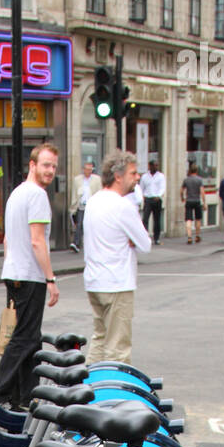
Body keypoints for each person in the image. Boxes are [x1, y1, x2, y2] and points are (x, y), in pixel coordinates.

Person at [0, 142, 60, 408]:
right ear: (32, 165)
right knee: (26, 338)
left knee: (29, 338)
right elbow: (37, 241)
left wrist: (12, 265)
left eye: (54, 166)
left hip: (15, 272)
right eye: (45, 165)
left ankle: (25, 398)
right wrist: (51, 279)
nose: (50, 170)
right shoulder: (37, 196)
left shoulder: (17, 194)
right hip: (30, 276)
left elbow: (8, 239)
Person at [82, 148, 150, 365]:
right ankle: (114, 395)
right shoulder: (123, 206)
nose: (137, 177)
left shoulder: (94, 201)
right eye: (133, 173)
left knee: (100, 339)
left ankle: (89, 389)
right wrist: (130, 239)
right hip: (117, 283)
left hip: (95, 281)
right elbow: (145, 244)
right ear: (118, 176)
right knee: (118, 349)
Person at [69, 159, 100, 252]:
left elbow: (99, 192)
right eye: (86, 169)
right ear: (83, 169)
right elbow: (74, 193)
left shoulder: (97, 180)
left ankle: (92, 244)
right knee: (79, 224)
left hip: (92, 207)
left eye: (90, 169)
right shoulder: (77, 180)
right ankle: (76, 243)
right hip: (81, 206)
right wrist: (73, 207)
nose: (88, 171)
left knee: (91, 226)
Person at [139, 160, 165, 244]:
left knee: (156, 219)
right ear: (149, 166)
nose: (156, 167)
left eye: (157, 165)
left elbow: (162, 187)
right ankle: (144, 237)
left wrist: (159, 195)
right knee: (145, 219)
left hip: (156, 199)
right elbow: (141, 188)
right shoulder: (144, 177)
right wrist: (143, 196)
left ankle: (156, 238)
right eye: (154, 165)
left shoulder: (161, 176)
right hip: (148, 199)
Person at [181, 162, 205, 243]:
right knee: (198, 219)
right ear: (197, 170)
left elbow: (181, 190)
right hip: (197, 201)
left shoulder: (186, 180)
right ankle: (197, 236)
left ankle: (189, 237)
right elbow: (202, 192)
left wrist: (182, 198)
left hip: (189, 201)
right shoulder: (199, 180)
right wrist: (204, 203)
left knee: (188, 219)